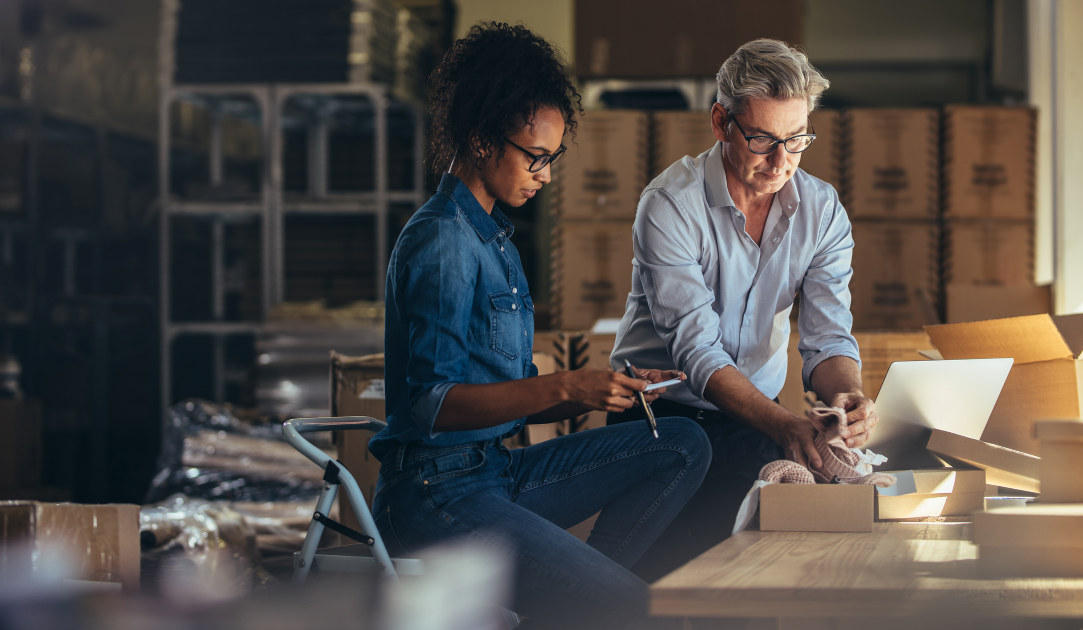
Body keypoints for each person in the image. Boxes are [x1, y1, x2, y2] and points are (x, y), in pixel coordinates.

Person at [368, 22, 711, 630]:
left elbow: (514, 401)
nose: (545, 175)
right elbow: (431, 405)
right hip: (434, 495)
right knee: (632, 607)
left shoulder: (494, 237)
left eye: (552, 159)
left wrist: (609, 385)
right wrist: (566, 387)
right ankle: (591, 604)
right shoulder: (445, 240)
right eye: (535, 157)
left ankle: (576, 603)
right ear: (480, 140)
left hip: (494, 472)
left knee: (681, 442)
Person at [608, 38, 878, 582]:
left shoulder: (821, 211)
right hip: (657, 415)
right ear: (720, 123)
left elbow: (827, 339)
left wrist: (846, 395)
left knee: (740, 579)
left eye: (797, 141)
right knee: (644, 583)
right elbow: (697, 351)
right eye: (761, 139)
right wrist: (784, 426)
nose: (781, 162)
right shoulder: (669, 205)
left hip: (756, 413)